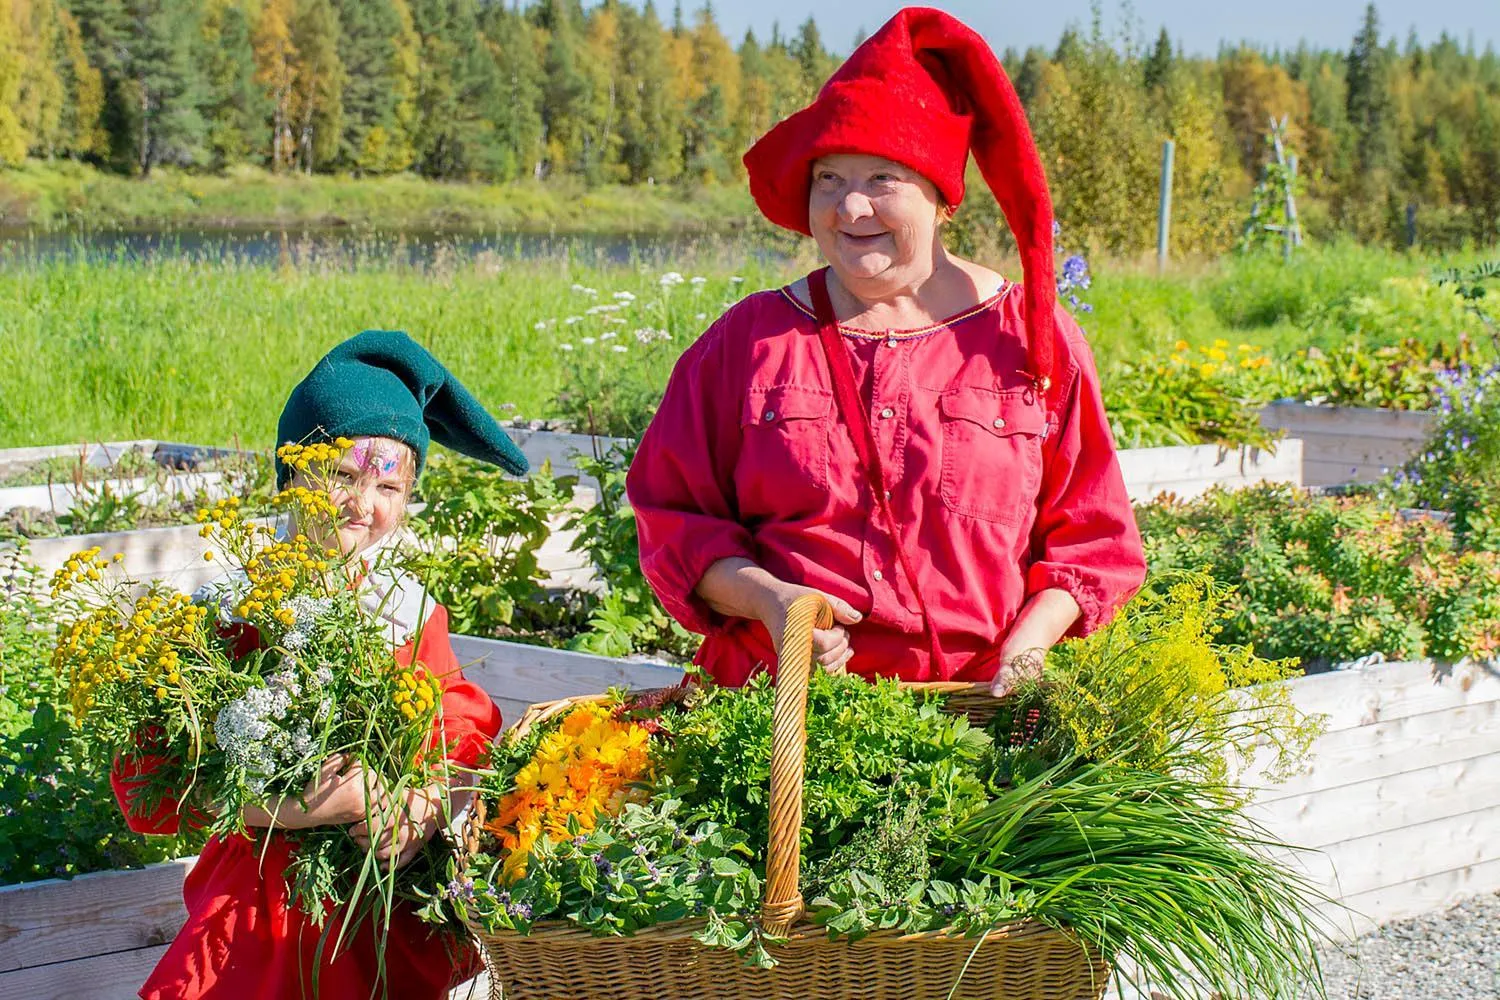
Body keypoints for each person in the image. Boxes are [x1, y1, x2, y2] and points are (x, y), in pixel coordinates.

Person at [626, 8, 1146, 695]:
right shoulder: (749, 341)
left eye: (881, 180)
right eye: (829, 179)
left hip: (971, 717)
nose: (850, 209)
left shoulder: (1026, 340)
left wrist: (1029, 644)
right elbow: (675, 521)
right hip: (774, 710)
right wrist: (774, 603)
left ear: (942, 199)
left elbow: (1093, 538)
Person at [110, 330, 529, 1000]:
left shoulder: (409, 612)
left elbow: (459, 738)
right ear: (291, 475)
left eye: (388, 485)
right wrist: (301, 806)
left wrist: (420, 807)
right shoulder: (234, 610)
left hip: (379, 908)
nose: (363, 505)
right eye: (341, 476)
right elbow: (160, 783)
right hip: (261, 905)